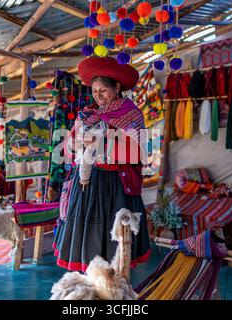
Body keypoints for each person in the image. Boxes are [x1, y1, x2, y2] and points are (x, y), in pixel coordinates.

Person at [53, 57, 151, 272]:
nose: (97, 96)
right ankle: (92, 279)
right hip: (87, 182)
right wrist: (75, 144)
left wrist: (102, 141)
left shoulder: (131, 114)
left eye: (103, 91)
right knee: (87, 236)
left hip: (114, 183)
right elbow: (68, 147)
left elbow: (138, 152)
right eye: (94, 91)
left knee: (115, 236)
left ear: (116, 88)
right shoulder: (87, 114)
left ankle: (114, 280)